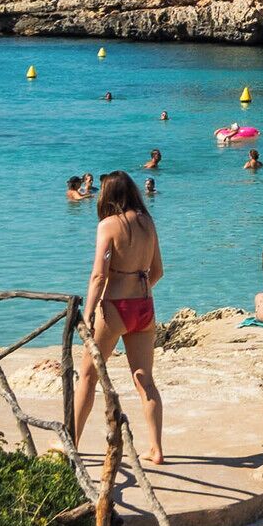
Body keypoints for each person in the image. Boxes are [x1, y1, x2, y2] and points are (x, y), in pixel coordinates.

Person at [72, 172, 165, 469]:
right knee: (144, 379)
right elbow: (158, 270)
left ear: (107, 195)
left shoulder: (108, 225)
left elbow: (99, 275)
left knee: (88, 375)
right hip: (144, 305)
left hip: (115, 307)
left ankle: (71, 441)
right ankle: (156, 448)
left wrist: (87, 313)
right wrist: (138, 288)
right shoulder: (148, 222)